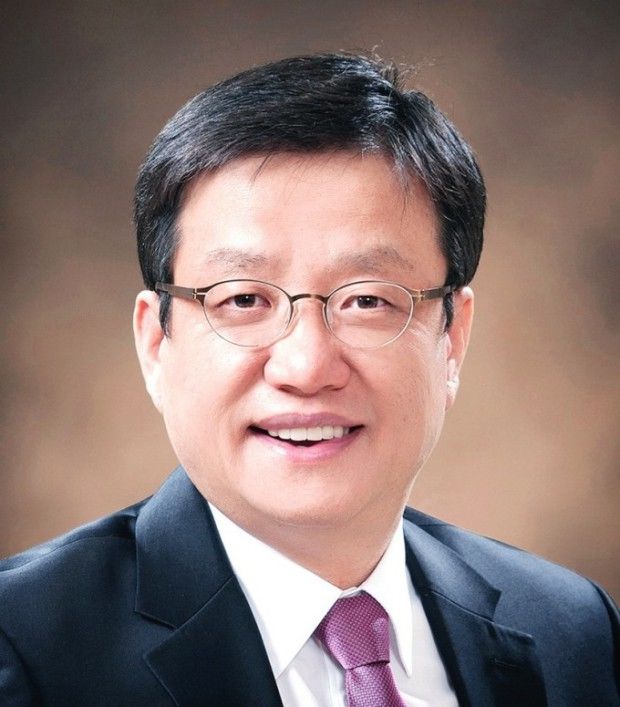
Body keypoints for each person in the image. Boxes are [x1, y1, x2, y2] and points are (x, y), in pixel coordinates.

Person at [0, 53, 617, 707]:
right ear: (156, 342)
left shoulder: (572, 632)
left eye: (368, 299)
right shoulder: (25, 647)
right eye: (243, 299)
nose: (306, 367)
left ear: (452, 338)